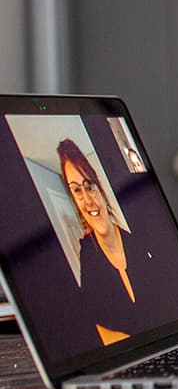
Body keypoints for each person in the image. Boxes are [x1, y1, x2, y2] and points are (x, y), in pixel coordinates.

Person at [58, 137, 155, 345]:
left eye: (89, 186)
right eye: (77, 190)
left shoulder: (139, 241)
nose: (87, 199)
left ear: (100, 188)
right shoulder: (87, 253)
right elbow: (94, 324)